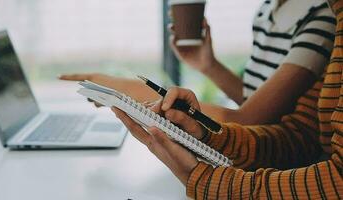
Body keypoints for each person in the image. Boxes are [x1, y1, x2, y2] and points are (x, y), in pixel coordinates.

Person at [111, 0, 343, 198]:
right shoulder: (280, 10)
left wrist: (204, 180)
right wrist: (205, 134)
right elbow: (300, 136)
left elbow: (338, 181)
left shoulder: (321, 16)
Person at [60, 0, 336, 125]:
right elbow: (256, 100)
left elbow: (252, 119)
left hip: (274, 161)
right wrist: (209, 65)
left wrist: (124, 89)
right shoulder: (268, 8)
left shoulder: (323, 17)